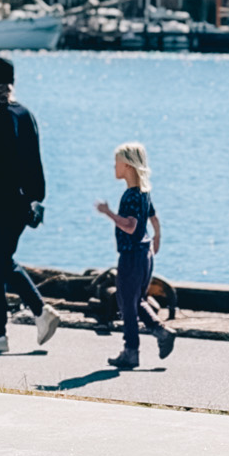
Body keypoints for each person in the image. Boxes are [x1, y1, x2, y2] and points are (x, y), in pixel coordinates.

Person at [0, 57, 60, 354]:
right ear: (13, 82)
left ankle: (6, 329)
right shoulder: (27, 115)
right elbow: (35, 163)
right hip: (24, 205)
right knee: (2, 262)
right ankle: (21, 321)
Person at [94, 141, 176, 370]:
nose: (114, 167)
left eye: (116, 163)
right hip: (144, 253)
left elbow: (130, 226)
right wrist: (156, 238)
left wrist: (108, 212)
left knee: (126, 304)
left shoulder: (130, 196)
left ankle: (131, 352)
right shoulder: (144, 192)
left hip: (131, 256)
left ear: (128, 166)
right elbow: (154, 219)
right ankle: (161, 332)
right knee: (134, 300)